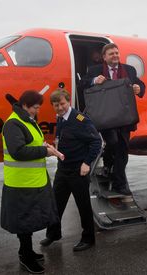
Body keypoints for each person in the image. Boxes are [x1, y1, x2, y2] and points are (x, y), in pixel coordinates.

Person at [1, 90, 62, 274]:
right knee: (24, 222)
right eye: (35, 107)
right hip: (20, 184)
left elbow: (32, 144)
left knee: (29, 220)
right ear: (26, 105)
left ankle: (25, 251)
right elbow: (18, 152)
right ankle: (26, 256)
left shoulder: (27, 120)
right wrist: (45, 152)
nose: (37, 110)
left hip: (33, 181)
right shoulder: (13, 124)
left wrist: (44, 146)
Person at [40, 89, 102, 251]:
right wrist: (54, 149)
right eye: (56, 105)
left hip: (77, 170)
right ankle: (53, 234)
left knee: (83, 206)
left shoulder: (80, 119)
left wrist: (87, 163)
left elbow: (96, 142)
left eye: (62, 104)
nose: (60, 108)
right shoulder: (60, 119)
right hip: (63, 169)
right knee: (56, 204)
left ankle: (88, 239)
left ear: (69, 102)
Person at [80, 43, 146, 195]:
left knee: (123, 149)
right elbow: (82, 83)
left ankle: (119, 183)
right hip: (107, 116)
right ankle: (108, 164)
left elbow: (140, 84)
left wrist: (139, 88)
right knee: (113, 143)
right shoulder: (95, 70)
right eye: (111, 54)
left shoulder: (129, 70)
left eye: (116, 53)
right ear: (104, 57)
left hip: (124, 116)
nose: (115, 56)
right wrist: (94, 80)